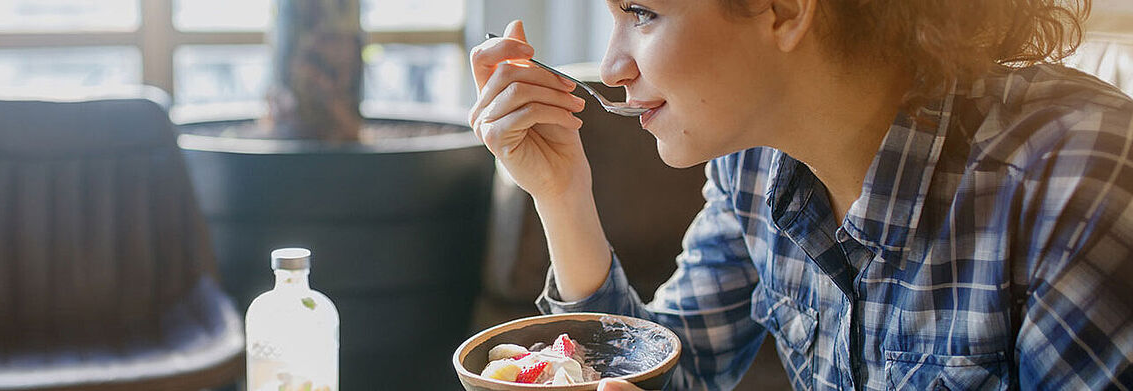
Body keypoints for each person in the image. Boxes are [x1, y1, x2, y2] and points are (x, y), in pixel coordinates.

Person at [468, 0, 1133, 389]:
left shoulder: (1074, 183)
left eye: (641, 11)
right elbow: (676, 372)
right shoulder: (755, 168)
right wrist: (561, 193)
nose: (612, 67)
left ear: (785, 9)